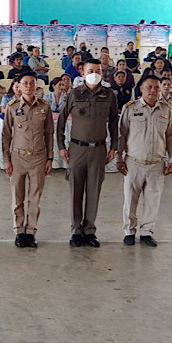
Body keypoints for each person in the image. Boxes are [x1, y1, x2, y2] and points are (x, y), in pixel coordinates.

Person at [57, 60, 119, 247]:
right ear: (82, 73)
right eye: (90, 70)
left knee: (94, 191)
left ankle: (90, 230)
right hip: (77, 149)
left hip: (98, 149)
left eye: (98, 70)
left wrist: (114, 146)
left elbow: (114, 122)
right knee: (76, 190)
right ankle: (76, 230)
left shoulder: (109, 95)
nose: (94, 74)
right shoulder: (74, 94)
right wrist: (61, 146)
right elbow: (61, 121)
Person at [117, 76, 172, 248]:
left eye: (156, 87)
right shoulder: (130, 108)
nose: (153, 90)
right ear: (141, 89)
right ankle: (129, 231)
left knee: (153, 200)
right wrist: (119, 158)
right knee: (130, 200)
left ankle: (147, 232)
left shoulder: (166, 110)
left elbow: (171, 136)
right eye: (149, 87)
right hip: (134, 162)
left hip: (156, 163)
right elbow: (121, 135)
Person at [2, 70, 53, 249]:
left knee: (34, 198)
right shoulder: (12, 107)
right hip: (18, 157)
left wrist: (50, 158)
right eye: (25, 83)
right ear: (19, 86)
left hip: (39, 157)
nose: (29, 86)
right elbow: (6, 135)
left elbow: (49, 134)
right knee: (18, 197)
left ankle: (30, 232)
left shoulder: (45, 107)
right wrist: (6, 160)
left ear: (36, 85)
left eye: (32, 83)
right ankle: (19, 231)